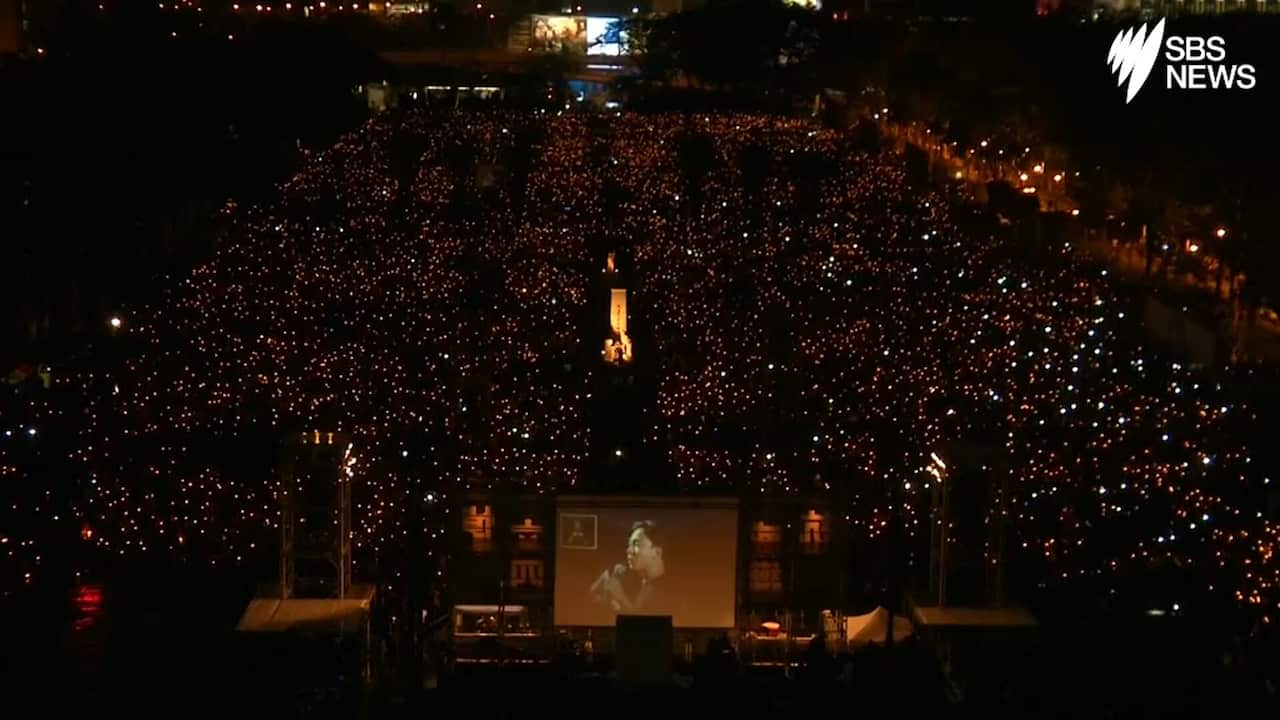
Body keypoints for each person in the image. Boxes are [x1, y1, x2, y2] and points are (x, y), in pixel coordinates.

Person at [590, 520, 668, 614]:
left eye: (636, 544)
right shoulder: (643, 582)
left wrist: (621, 597)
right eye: (629, 544)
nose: (629, 550)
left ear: (657, 552)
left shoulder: (671, 591)